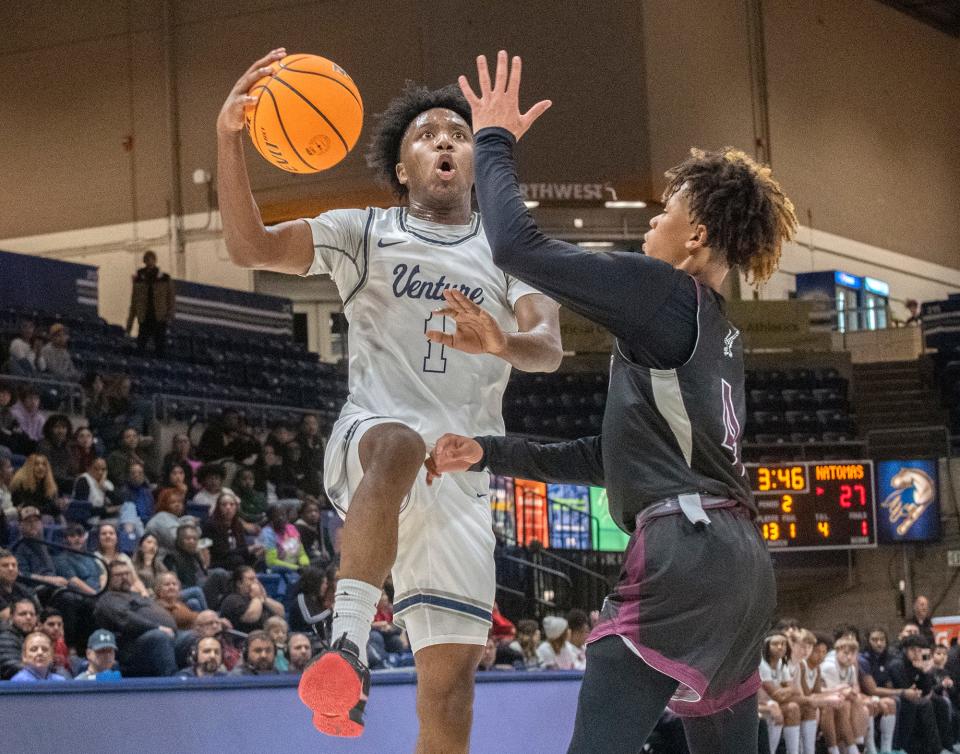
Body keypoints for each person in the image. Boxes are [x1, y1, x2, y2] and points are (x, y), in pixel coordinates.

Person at [429, 50, 798, 753]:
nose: (650, 228)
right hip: (742, 565)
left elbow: (515, 244)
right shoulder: (718, 331)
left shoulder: (663, 292)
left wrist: (494, 141)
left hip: (684, 552)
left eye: (664, 214)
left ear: (694, 239)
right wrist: (490, 451)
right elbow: (611, 459)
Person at [218, 49, 563, 742]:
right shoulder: (364, 232)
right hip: (371, 442)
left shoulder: (512, 248)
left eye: (459, 134)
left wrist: (501, 342)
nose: (444, 140)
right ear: (402, 168)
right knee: (400, 442)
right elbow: (249, 247)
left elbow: (549, 347)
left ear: (475, 161)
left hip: (462, 476)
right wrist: (229, 140)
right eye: (426, 134)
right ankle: (347, 644)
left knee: (450, 698)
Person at [93, 559, 184, 677]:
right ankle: (173, 685)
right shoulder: (108, 599)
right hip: (131, 647)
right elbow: (126, 620)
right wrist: (158, 627)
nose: (124, 577)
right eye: (119, 575)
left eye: (127, 573)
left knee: (192, 637)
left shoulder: (136, 595)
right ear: (109, 578)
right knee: (159, 636)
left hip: (166, 636)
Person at [127, 250, 175, 357]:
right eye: (147, 260)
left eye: (151, 259)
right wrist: (129, 326)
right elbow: (134, 302)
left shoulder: (165, 279)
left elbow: (170, 299)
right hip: (144, 317)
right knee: (141, 346)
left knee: (160, 347)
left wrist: (169, 315)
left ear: (155, 260)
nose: (149, 262)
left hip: (159, 318)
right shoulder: (139, 279)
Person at [258, 504, 308, 572]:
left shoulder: (291, 528)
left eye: (283, 515)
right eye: (276, 516)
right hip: (276, 571)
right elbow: (271, 562)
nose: (281, 518)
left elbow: (301, 553)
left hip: (297, 568)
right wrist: (296, 568)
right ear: (270, 519)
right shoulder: (267, 533)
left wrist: (304, 564)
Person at [53, 524, 101, 595]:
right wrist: (96, 594)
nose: (77, 538)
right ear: (66, 538)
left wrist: (103, 590)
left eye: (80, 536)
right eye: (72, 536)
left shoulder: (90, 556)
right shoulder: (60, 559)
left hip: (101, 592)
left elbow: (102, 575)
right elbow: (74, 581)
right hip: (83, 595)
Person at [10, 453, 62, 519]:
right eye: (36, 464)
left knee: (59, 517)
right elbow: (28, 506)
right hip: (24, 517)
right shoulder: (21, 484)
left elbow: (54, 508)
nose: (41, 467)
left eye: (44, 464)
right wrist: (51, 508)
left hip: (43, 516)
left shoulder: (47, 486)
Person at [72, 456, 121, 521]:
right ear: (88, 468)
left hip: (106, 520)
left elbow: (120, 503)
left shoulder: (107, 483)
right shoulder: (83, 480)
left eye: (103, 469)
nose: (100, 472)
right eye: (96, 469)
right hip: (88, 521)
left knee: (129, 506)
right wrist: (107, 510)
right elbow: (82, 510)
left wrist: (104, 489)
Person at [0, 598, 38, 679]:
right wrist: (40, 672)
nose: (28, 617)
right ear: (11, 617)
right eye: (23, 614)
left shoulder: (33, 638)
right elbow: (11, 666)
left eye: (32, 614)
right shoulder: (5, 637)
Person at [37, 414, 73, 490]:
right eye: (56, 427)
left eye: (63, 428)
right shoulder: (44, 446)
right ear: (50, 429)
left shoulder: (67, 448)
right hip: (46, 482)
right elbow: (47, 470)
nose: (60, 431)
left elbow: (70, 469)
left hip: (63, 482)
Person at [0, 547, 36, 619]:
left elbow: (40, 614)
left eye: (14, 565)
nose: (11, 568)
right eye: (5, 565)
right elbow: (6, 616)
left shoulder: (22, 589)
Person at [39, 608, 72, 678]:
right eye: (51, 624)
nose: (56, 628)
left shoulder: (61, 644)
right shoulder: (33, 644)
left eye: (59, 624)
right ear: (40, 625)